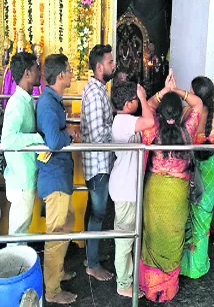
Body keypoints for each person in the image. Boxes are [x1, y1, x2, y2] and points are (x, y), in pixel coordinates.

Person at [139, 71, 203, 302]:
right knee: (173, 236)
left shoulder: (152, 130)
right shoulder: (188, 132)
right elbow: (198, 102)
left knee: (153, 234)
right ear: (179, 113)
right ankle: (167, 289)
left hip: (155, 189)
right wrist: (177, 91)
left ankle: (150, 286)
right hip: (177, 192)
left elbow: (146, 104)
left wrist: (163, 92)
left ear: (161, 112)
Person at [36, 54, 76, 304]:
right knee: (56, 233)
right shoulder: (49, 104)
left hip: (60, 176)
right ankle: (51, 291)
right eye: (70, 70)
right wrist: (69, 133)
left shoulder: (53, 100)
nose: (72, 73)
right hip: (54, 177)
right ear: (60, 75)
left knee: (67, 224)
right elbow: (53, 141)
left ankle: (58, 273)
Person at [109, 81, 154, 298]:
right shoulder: (124, 121)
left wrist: (153, 95)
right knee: (125, 239)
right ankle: (123, 283)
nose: (139, 102)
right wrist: (143, 97)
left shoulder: (123, 119)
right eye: (135, 99)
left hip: (126, 185)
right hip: (125, 188)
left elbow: (148, 111)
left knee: (127, 236)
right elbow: (149, 120)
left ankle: (127, 277)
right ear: (128, 104)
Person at [180, 76, 214, 279]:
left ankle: (183, 265)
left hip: (190, 166)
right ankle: (198, 266)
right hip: (211, 169)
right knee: (204, 216)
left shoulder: (188, 114)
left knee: (188, 215)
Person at [80, 44, 116, 281]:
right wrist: (120, 128)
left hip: (101, 162)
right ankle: (92, 264)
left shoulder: (100, 89)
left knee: (96, 212)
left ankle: (90, 255)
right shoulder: (94, 93)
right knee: (98, 214)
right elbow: (96, 134)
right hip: (98, 164)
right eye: (111, 62)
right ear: (100, 66)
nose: (114, 65)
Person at [1, 52, 44, 243]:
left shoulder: (26, 100)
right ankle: (13, 270)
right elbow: (7, 140)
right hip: (21, 178)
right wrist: (37, 138)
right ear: (27, 73)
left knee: (22, 230)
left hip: (25, 176)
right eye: (36, 69)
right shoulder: (17, 104)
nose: (39, 73)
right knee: (18, 234)